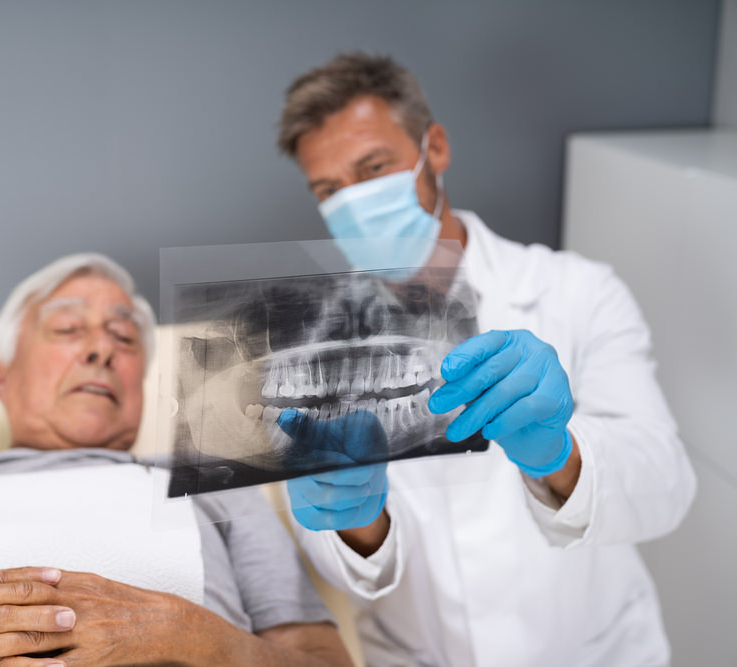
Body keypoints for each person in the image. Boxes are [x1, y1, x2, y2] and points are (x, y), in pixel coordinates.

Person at [274, 52, 697, 666]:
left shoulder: (578, 290)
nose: (355, 202)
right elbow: (343, 559)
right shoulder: (311, 340)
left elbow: (668, 485)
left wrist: (563, 454)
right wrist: (357, 521)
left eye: (374, 167)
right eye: (330, 189)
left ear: (434, 148)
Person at [0, 253, 354, 667]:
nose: (102, 348)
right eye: (68, 328)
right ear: (3, 375)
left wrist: (195, 637)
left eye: (124, 340)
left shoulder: (216, 483)